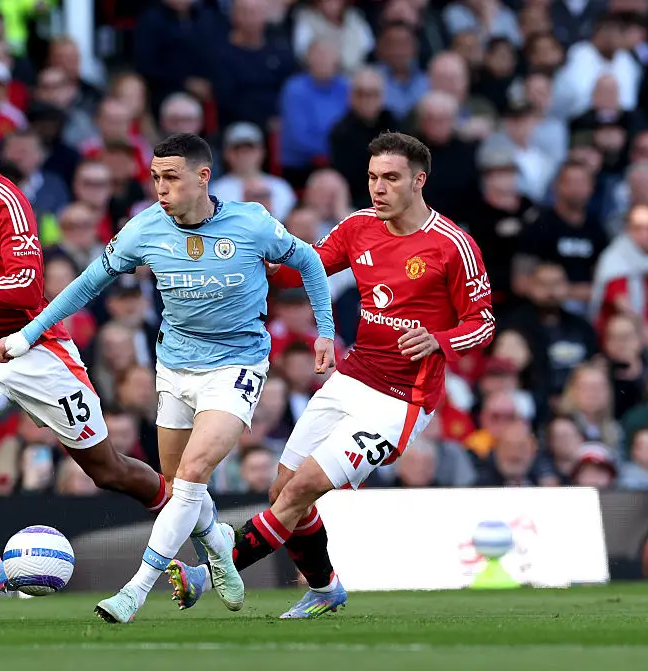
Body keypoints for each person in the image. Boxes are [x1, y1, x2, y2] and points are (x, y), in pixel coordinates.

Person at [0, 132, 336, 623]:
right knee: (179, 485)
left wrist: (324, 331)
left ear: (203, 177)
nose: (160, 187)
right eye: (155, 177)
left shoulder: (251, 223)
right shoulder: (144, 229)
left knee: (193, 475)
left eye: (171, 177)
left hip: (236, 366)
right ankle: (218, 542)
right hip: (174, 369)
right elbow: (88, 283)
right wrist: (29, 334)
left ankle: (134, 590)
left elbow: (308, 259)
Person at [168, 132, 495, 618]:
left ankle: (207, 572)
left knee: (302, 488)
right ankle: (324, 589)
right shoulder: (360, 226)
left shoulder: (452, 245)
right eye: (372, 177)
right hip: (351, 378)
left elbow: (482, 323)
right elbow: (308, 267)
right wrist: (250, 257)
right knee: (282, 490)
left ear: (419, 181)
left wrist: (439, 340)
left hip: (400, 400)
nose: (378, 188)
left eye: (391, 178)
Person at [0, 100, 166, 606]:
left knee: (108, 470)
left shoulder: (6, 203)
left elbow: (26, 288)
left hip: (34, 350)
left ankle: (196, 529)